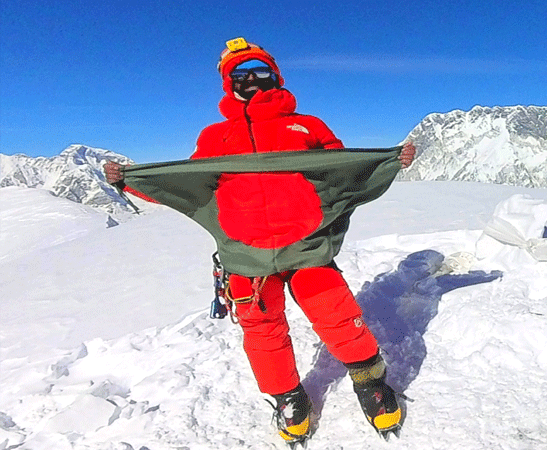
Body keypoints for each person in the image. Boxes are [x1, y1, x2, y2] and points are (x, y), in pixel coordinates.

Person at [104, 37, 416, 446]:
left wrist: (389, 162)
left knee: (337, 314)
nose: (251, 79)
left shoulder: (308, 126)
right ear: (227, 82)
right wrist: (131, 182)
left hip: (306, 245)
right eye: (240, 73)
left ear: (275, 75)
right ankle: (288, 397)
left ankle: (370, 383)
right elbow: (189, 184)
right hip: (245, 254)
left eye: (259, 71)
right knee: (263, 329)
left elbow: (341, 171)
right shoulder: (215, 136)